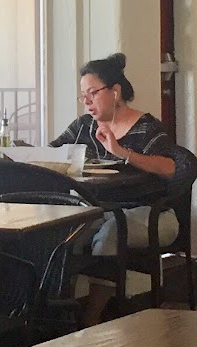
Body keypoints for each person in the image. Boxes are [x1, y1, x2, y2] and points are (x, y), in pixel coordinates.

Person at [50, 52, 179, 257]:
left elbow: (170, 168)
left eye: (92, 93)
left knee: (112, 232)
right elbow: (51, 154)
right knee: (66, 234)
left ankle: (107, 280)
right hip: (102, 210)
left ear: (115, 91)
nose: (86, 101)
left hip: (152, 214)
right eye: (83, 95)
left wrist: (121, 152)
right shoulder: (84, 126)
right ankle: (75, 280)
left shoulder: (146, 127)